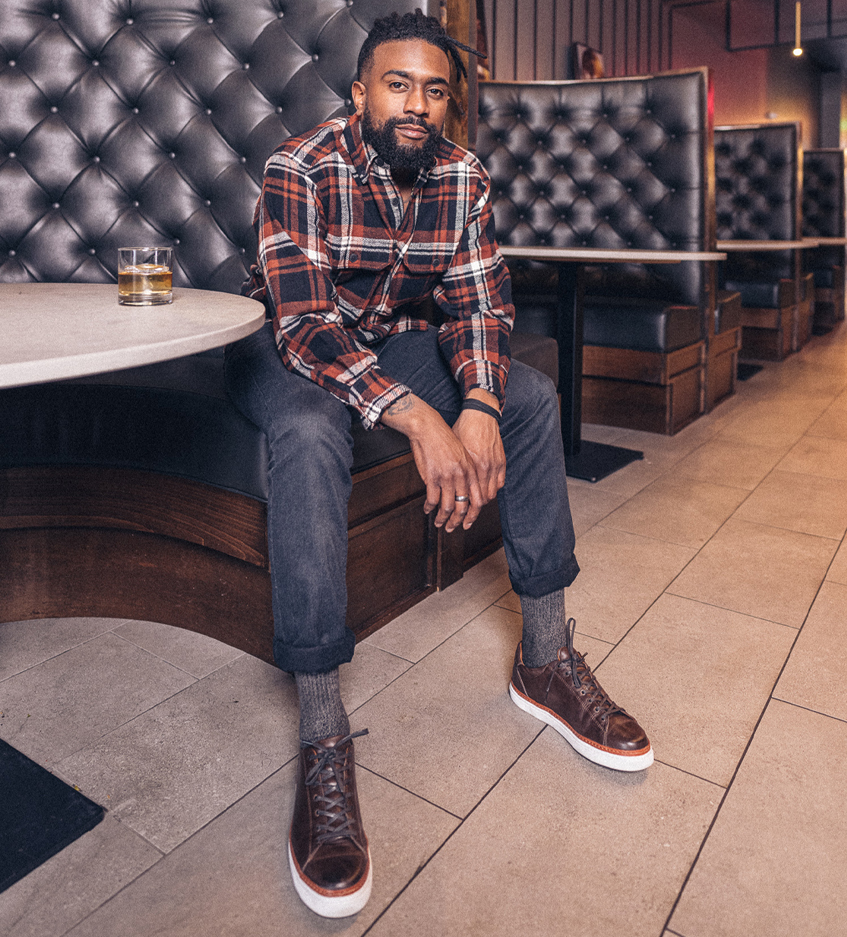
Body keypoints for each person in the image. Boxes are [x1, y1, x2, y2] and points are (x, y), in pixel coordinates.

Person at [225, 9, 652, 919]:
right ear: (358, 93)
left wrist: (485, 404)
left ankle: (545, 659)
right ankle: (322, 736)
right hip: (291, 352)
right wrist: (420, 416)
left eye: (433, 90)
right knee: (306, 434)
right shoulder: (298, 167)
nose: (416, 105)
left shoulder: (460, 175)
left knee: (530, 393)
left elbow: (476, 308)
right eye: (396, 85)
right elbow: (302, 325)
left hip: (388, 344)